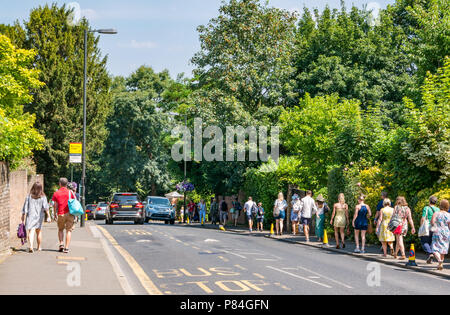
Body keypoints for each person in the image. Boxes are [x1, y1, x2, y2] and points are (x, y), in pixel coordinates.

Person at [21, 182, 51, 253]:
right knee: (38, 231)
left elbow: (25, 207)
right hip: (39, 217)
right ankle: (39, 247)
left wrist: (23, 215)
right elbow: (46, 207)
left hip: (30, 216)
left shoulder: (29, 196)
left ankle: (31, 246)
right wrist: (48, 216)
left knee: (31, 231)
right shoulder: (43, 196)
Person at [52, 178, 75, 253]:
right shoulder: (70, 192)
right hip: (70, 213)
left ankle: (61, 244)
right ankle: (67, 248)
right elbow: (74, 203)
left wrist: (55, 214)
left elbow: (55, 205)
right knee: (69, 230)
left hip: (61, 213)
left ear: (60, 184)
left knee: (60, 229)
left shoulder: (56, 193)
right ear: (67, 184)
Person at [431, 199, 450, 271]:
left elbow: (432, 222)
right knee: (443, 248)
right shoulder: (449, 215)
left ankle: (439, 260)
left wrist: (434, 225)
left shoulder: (436, 213)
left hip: (437, 231)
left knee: (434, 247)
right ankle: (440, 264)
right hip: (446, 232)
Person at [420, 196, 440, 264]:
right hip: (435, 228)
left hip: (427, 227)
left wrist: (421, 226)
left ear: (429, 201)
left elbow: (423, 218)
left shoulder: (426, 208)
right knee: (432, 243)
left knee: (424, 242)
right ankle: (430, 259)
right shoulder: (438, 209)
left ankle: (430, 253)